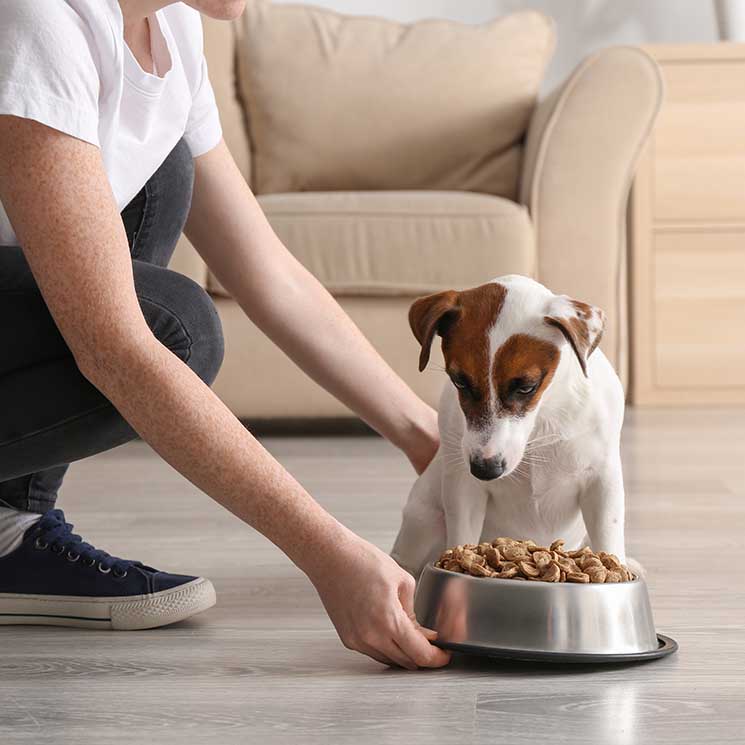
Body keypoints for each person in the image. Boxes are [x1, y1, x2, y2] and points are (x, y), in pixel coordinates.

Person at [0, 0, 450, 670]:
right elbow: (113, 348)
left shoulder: (173, 32)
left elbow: (268, 273)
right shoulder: (39, 20)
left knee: (166, 166)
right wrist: (326, 554)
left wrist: (427, 437)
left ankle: (8, 527)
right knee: (178, 328)